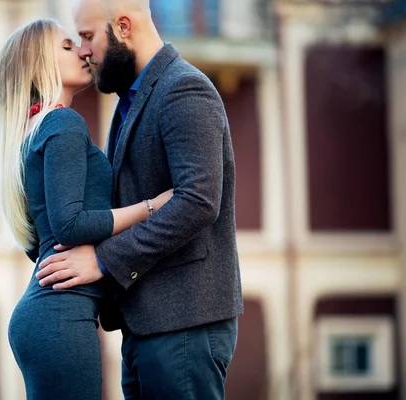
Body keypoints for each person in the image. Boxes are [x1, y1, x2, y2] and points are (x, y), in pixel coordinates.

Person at [35, 0, 244, 398]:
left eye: (88, 36)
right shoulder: (129, 100)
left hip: (184, 324)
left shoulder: (184, 88)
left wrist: (102, 260)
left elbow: (198, 201)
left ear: (124, 27)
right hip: (148, 325)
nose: (83, 50)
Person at [0, 18, 173, 400]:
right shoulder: (63, 123)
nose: (84, 52)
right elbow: (69, 226)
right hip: (60, 317)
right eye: (68, 47)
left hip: (45, 316)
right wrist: (151, 207)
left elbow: (41, 240)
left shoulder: (33, 130)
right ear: (42, 63)